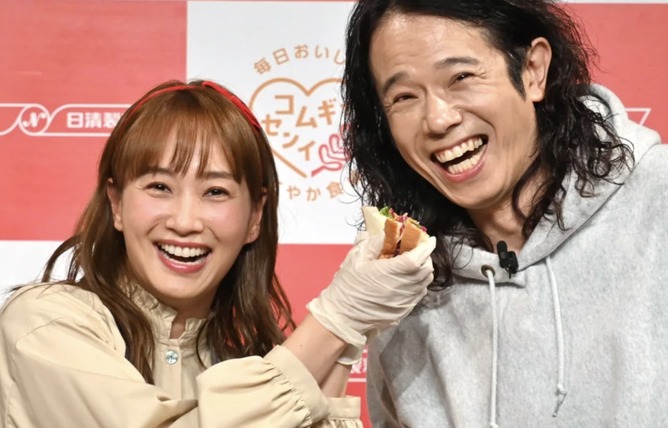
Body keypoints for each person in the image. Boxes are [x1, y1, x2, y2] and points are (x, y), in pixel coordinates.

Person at [0, 79, 436, 427]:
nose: (185, 220)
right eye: (159, 187)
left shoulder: (246, 364)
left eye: (215, 192)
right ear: (116, 204)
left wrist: (347, 341)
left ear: (254, 217)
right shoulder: (44, 323)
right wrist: (336, 316)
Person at [341, 0, 668, 426]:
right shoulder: (401, 274)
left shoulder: (657, 198)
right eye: (404, 96)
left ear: (532, 70)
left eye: (461, 77)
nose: (437, 119)